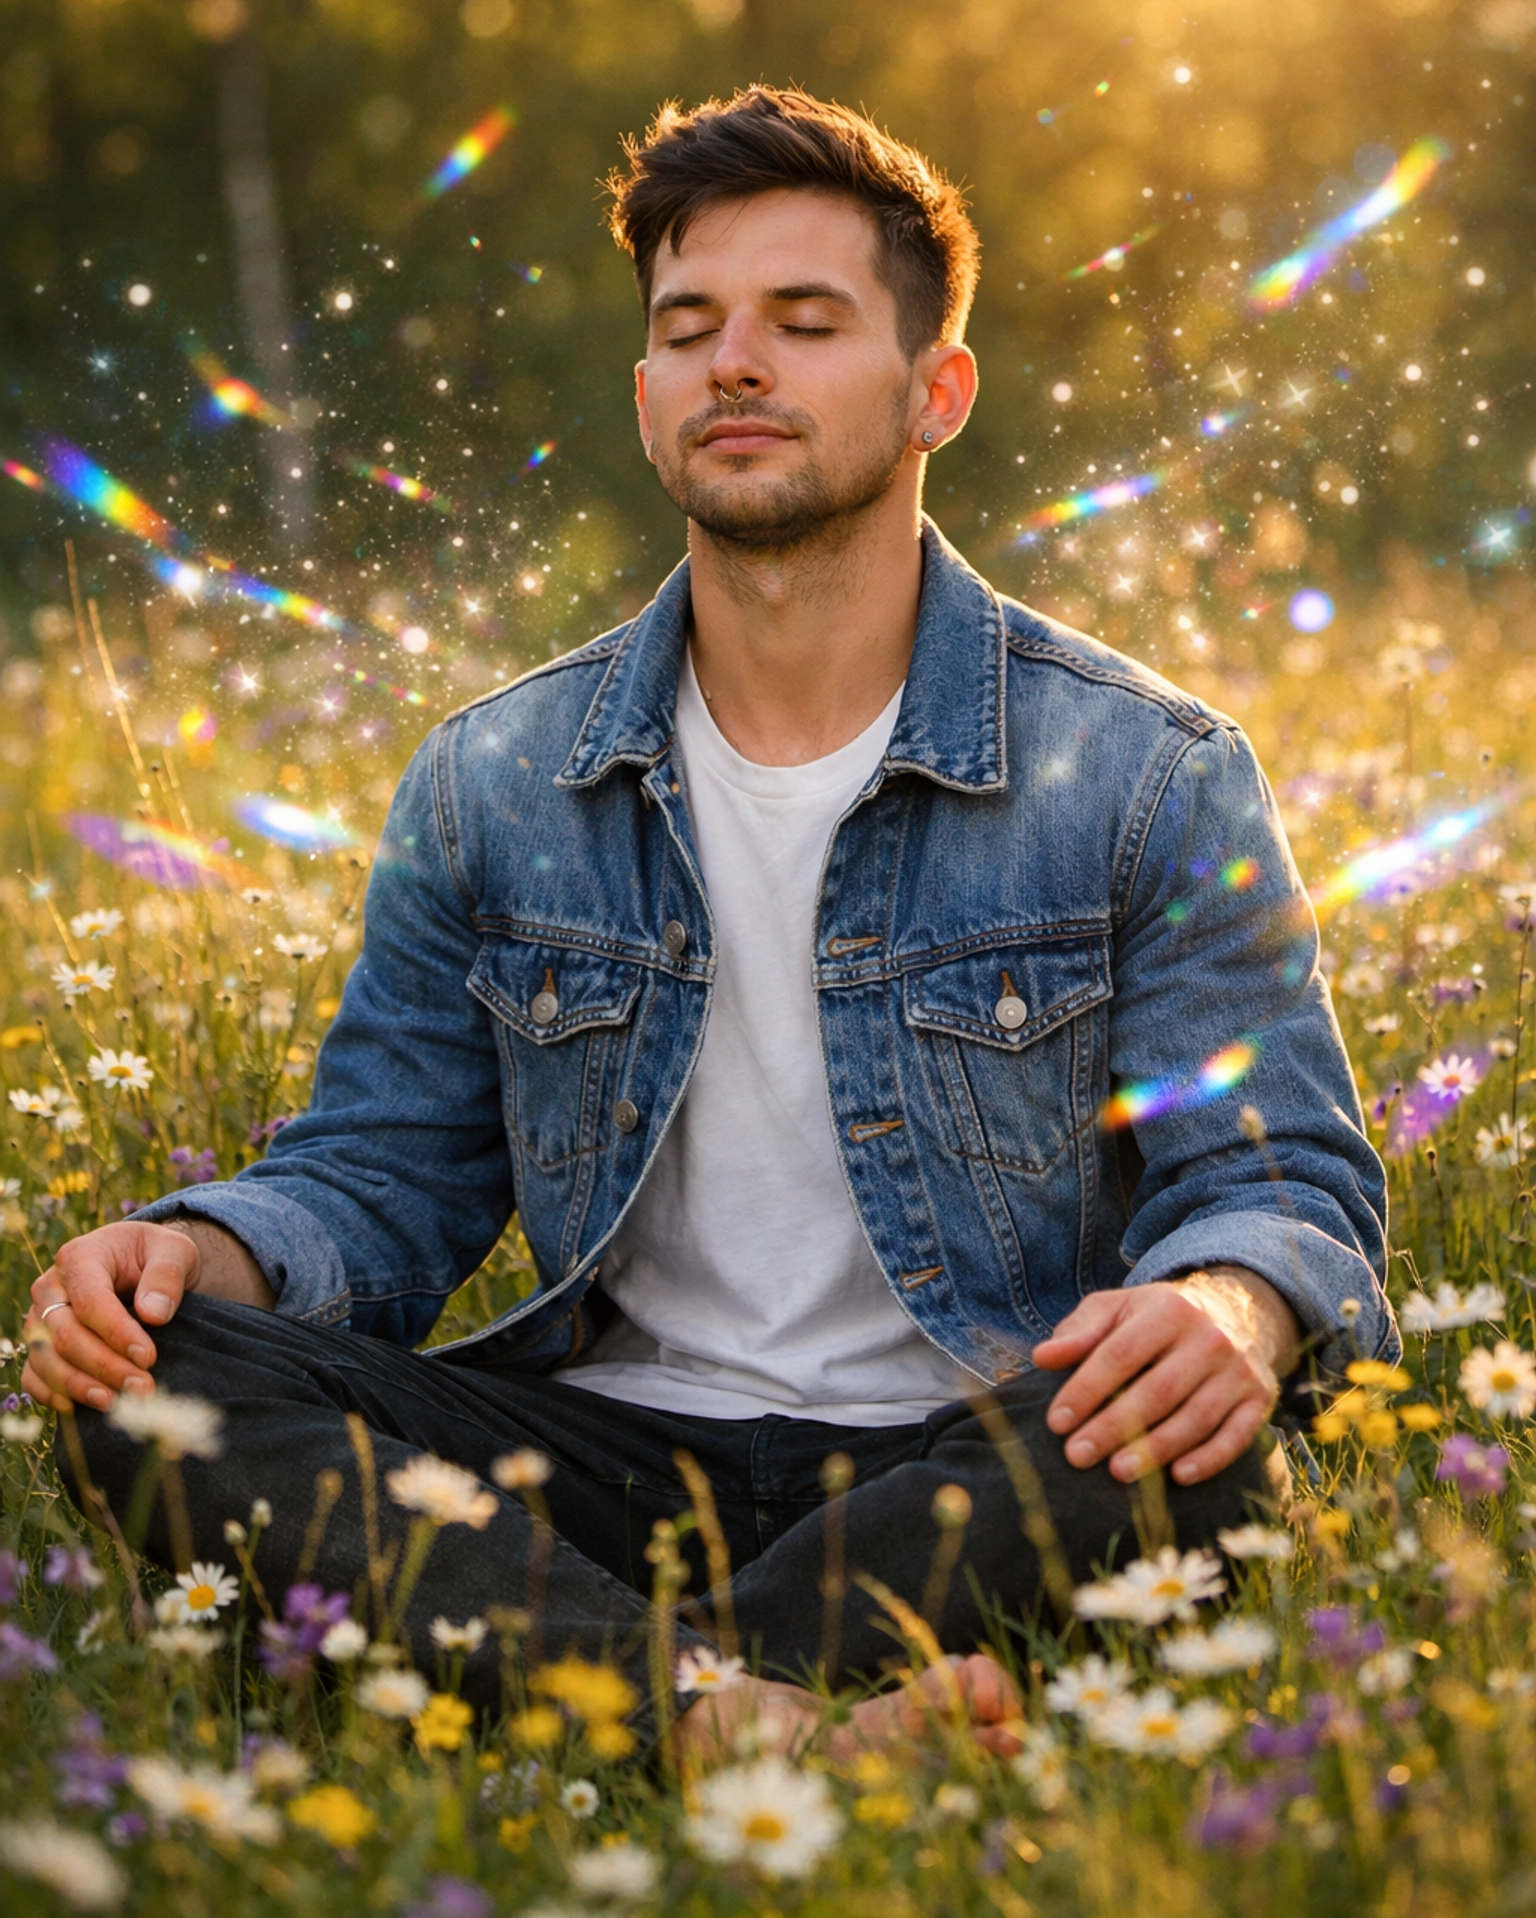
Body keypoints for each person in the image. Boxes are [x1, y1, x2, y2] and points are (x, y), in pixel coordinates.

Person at [25, 87, 1392, 1755]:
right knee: (145, 1384)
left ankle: (566, 1686)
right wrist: (199, 1259)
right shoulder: (497, 775)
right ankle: (762, 1722)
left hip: (964, 1444)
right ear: (650, 394)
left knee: (1197, 1417)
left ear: (933, 391)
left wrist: (1231, 1306)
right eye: (692, 330)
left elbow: (1275, 1181)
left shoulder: (1144, 770)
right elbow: (383, 1177)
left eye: (805, 323)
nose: (736, 363)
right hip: (596, 1455)